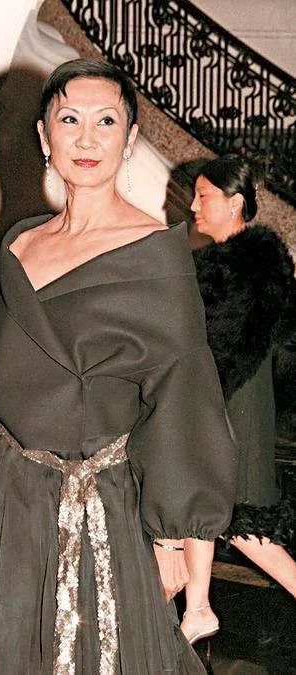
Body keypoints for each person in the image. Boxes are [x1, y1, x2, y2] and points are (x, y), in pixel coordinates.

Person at [0, 58, 238, 674]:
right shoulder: (20, 245)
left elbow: (184, 398)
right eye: (70, 119)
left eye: (106, 121)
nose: (87, 138)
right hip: (1, 497)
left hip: (98, 509)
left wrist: (174, 541)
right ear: (44, 135)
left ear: (130, 139)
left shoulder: (156, 256)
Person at [180, 156, 296, 646]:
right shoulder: (248, 265)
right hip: (235, 400)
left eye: (203, 195)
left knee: (237, 522)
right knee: (207, 510)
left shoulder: (239, 270)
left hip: (235, 402)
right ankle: (192, 609)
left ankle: (195, 608)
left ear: (234, 203)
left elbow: (219, 348)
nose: (193, 205)